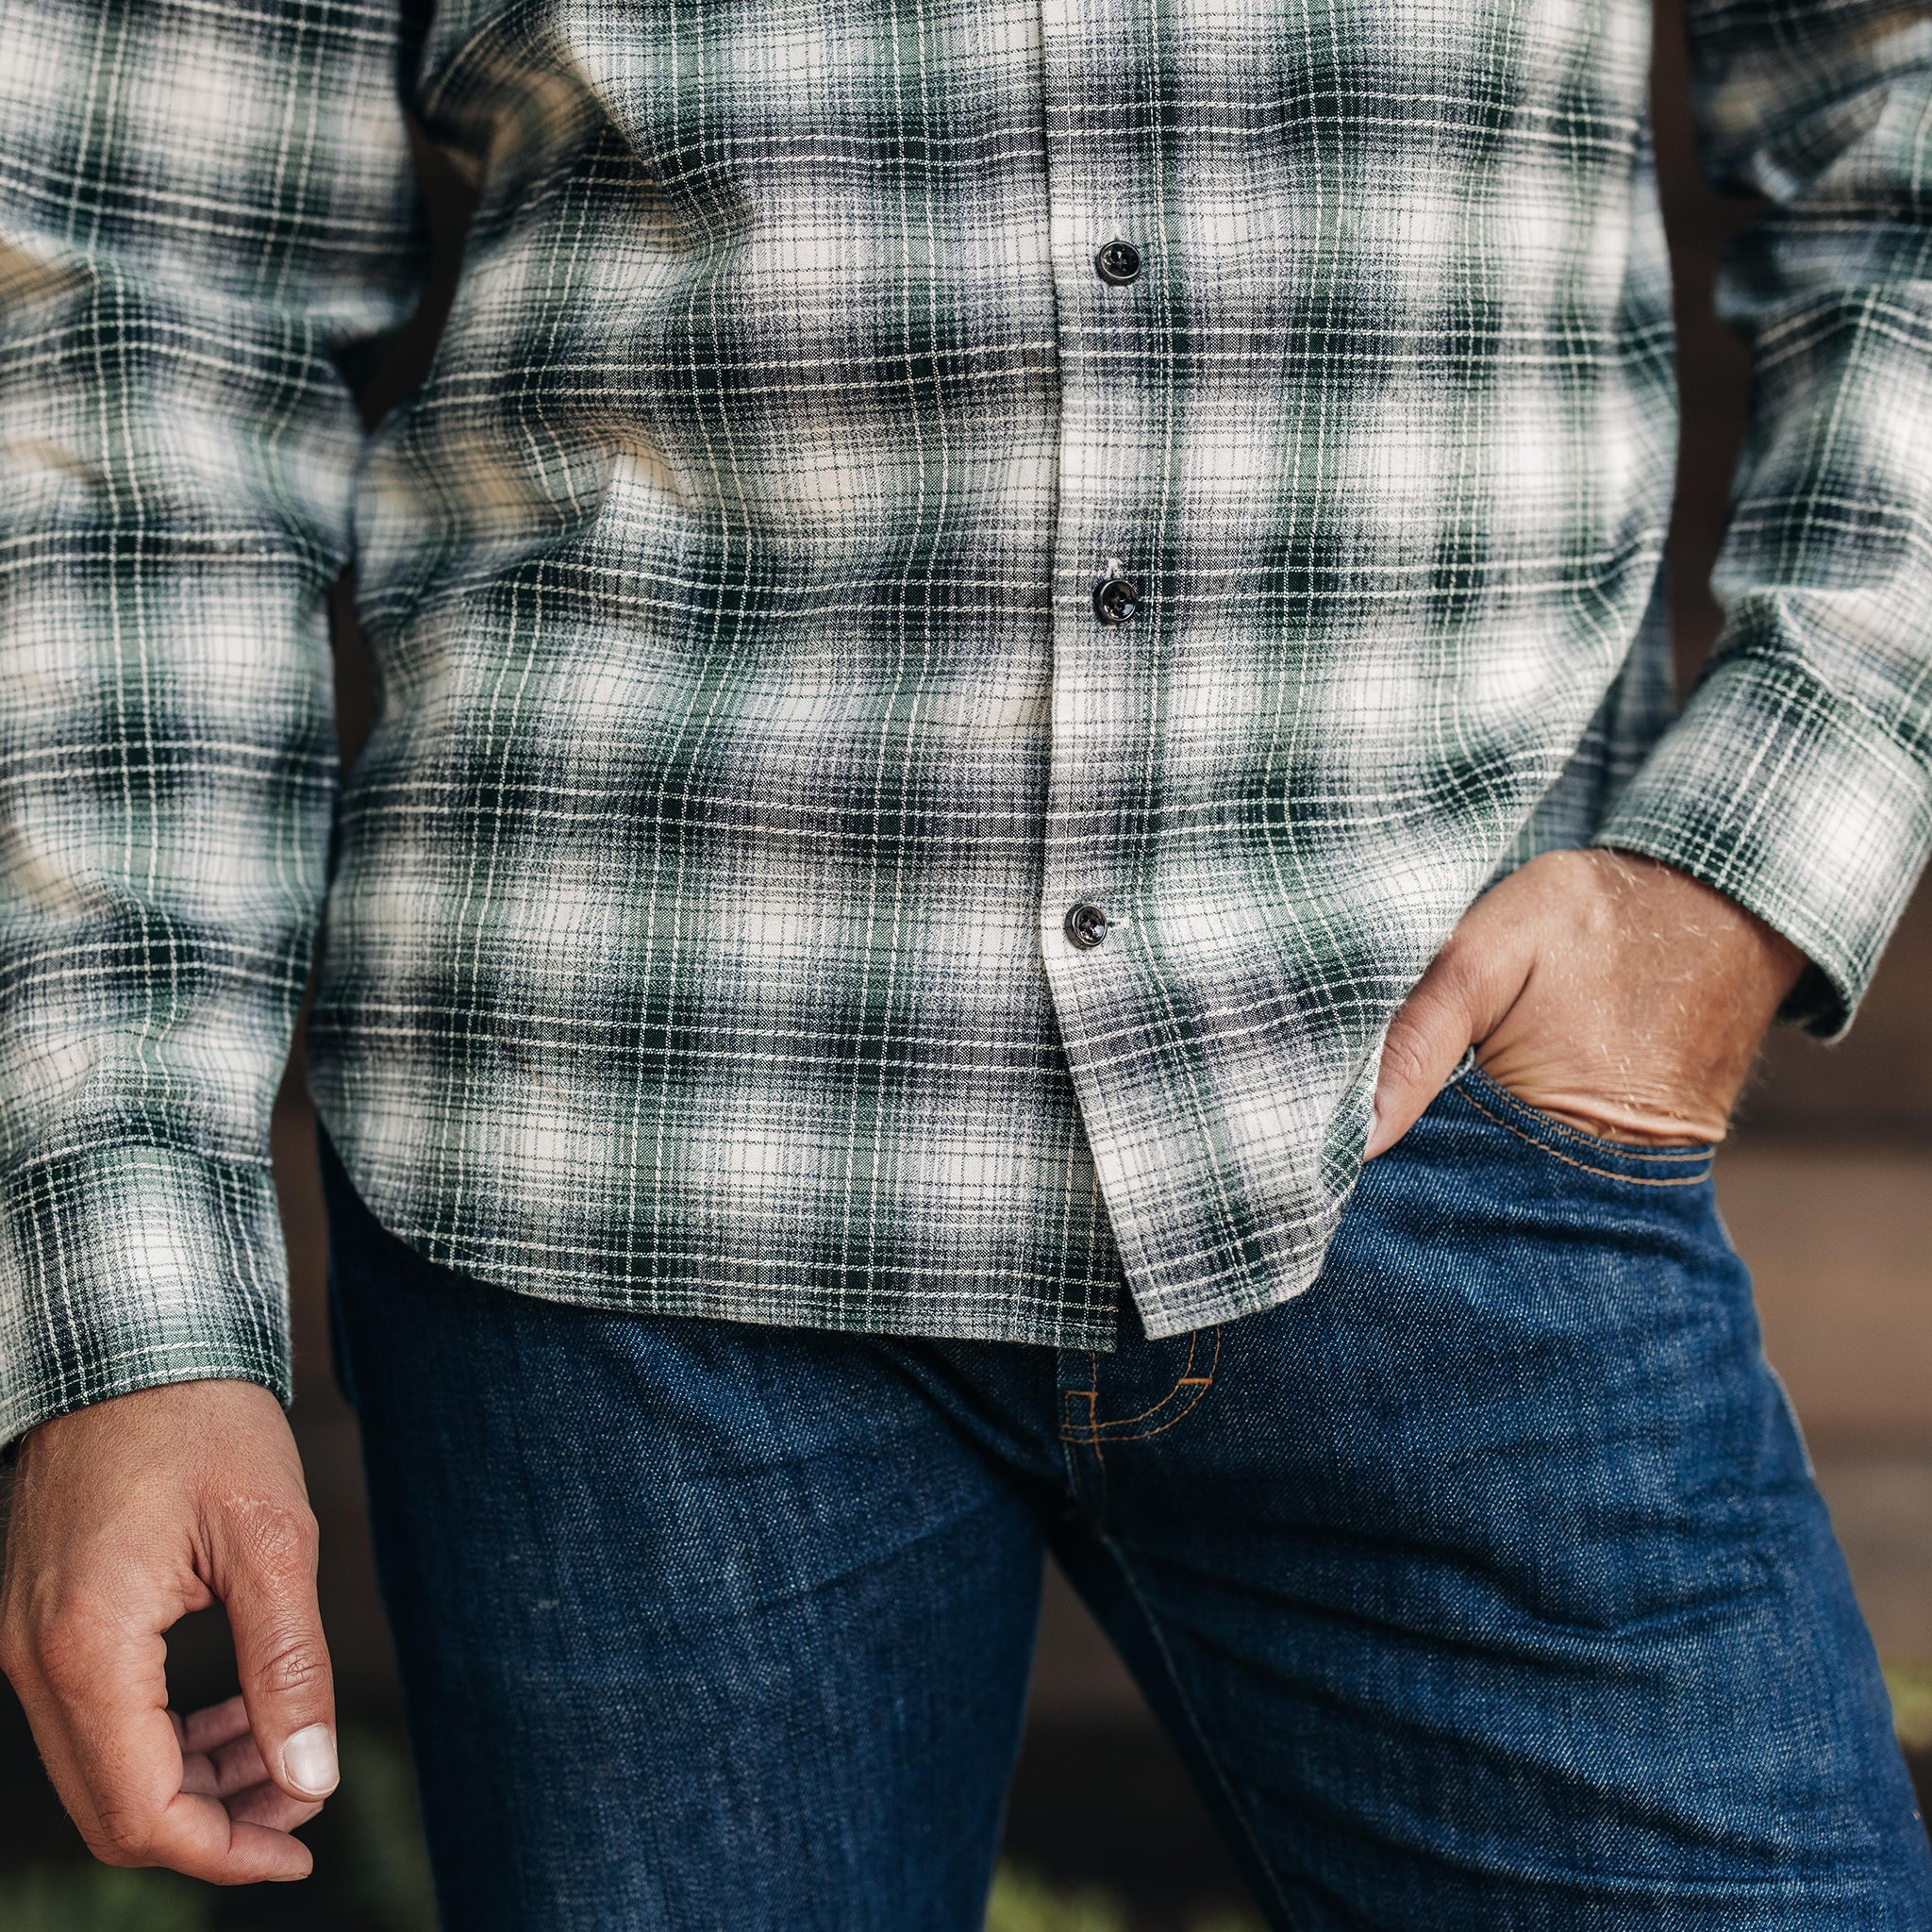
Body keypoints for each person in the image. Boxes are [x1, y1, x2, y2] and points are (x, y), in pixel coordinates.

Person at [2, 0, 1931, 1921]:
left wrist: (1750, 855)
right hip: (615, 1155)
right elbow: (141, 316)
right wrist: (132, 1307)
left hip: (1439, 1099)